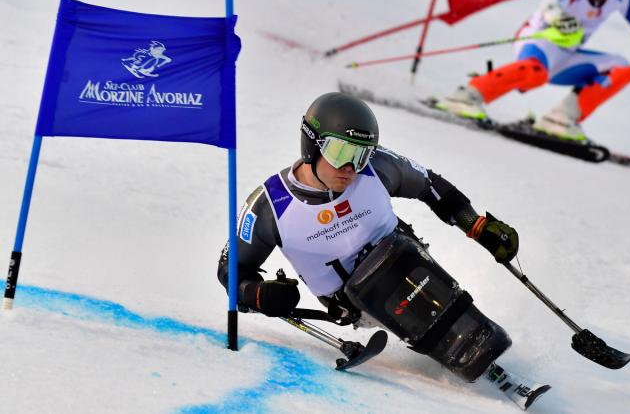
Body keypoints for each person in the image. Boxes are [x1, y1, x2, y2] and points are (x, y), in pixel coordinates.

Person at [217, 92, 550, 410]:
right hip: (354, 300)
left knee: (415, 277)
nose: (351, 167)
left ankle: (485, 350)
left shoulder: (375, 167)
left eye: (361, 154)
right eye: (340, 153)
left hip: (407, 260)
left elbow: (429, 184)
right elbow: (229, 268)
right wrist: (257, 293)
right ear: (311, 145)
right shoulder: (269, 206)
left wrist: (476, 225)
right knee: (395, 293)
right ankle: (470, 356)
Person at [436, 0, 630, 141]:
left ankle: (560, 120)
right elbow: (550, 7)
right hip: (538, 46)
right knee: (536, 72)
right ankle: (466, 96)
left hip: (568, 56)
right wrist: (560, 18)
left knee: (624, 68)